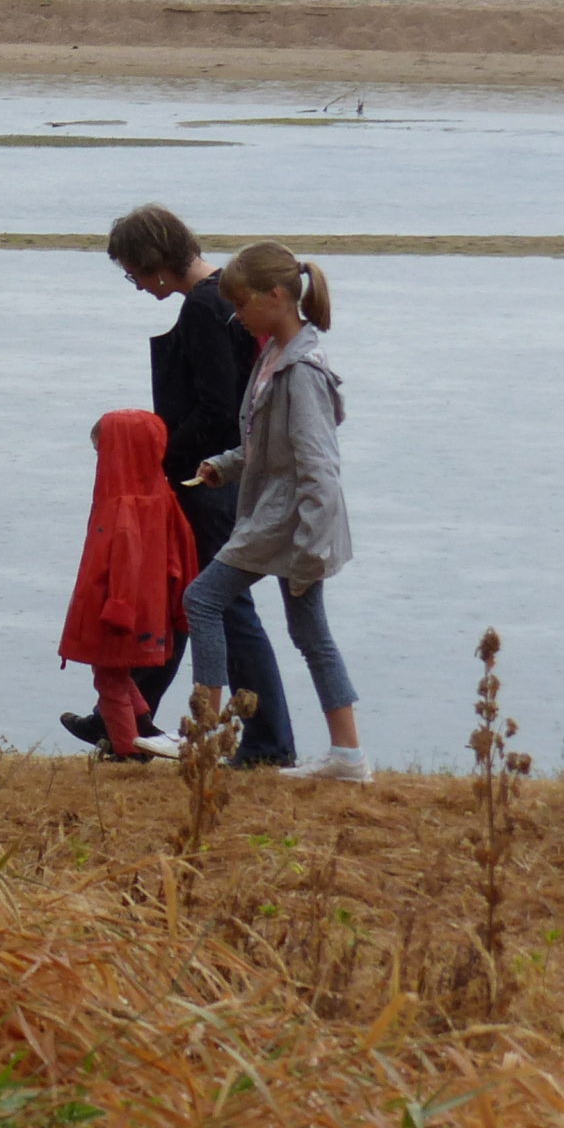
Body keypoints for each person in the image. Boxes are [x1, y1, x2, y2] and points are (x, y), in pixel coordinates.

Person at [74, 204, 296, 768]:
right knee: (182, 598)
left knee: (224, 604)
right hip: (220, 476)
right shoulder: (224, 297)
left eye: (132, 271)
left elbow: (217, 410)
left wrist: (149, 448)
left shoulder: (204, 309)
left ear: (154, 261)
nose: (135, 284)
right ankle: (128, 717)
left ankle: (270, 741)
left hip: (207, 479)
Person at [188, 243, 371, 783]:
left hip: (288, 524)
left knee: (202, 598)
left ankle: (203, 736)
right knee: (310, 633)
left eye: (242, 304)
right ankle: (348, 756)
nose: (236, 316)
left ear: (275, 296)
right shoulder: (273, 359)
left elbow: (318, 468)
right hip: (279, 517)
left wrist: (312, 551)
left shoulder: (301, 372)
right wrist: (224, 464)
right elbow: (269, 448)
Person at [56, 411, 195, 762]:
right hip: (151, 608)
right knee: (116, 673)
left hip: (118, 609)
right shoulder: (162, 496)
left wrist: (117, 607)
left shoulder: (121, 506)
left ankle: (128, 749)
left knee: (108, 678)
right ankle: (144, 728)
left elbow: (125, 563)